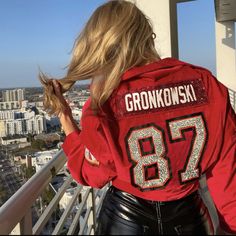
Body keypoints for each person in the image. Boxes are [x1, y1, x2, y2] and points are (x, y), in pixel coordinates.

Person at [40, 0, 236, 235]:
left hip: (126, 222)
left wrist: (66, 119)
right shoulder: (206, 85)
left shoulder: (104, 103)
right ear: (147, 36)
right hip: (190, 219)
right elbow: (228, 173)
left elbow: (91, 173)